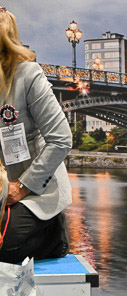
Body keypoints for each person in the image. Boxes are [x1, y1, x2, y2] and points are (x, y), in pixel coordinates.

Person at [0, 8, 72, 263]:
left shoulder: (28, 75)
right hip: (2, 192)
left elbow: (61, 139)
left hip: (35, 192)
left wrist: (22, 187)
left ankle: (53, 233)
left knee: (4, 248)